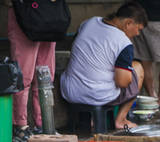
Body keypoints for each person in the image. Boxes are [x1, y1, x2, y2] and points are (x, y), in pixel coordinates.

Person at [60, 2, 147, 130]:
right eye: (138, 29)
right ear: (128, 23)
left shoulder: (89, 22)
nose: (138, 34)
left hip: (70, 91)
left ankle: (90, 120)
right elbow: (122, 82)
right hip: (96, 95)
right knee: (137, 68)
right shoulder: (123, 42)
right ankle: (121, 119)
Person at [7, 1, 57, 142]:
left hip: (48, 13)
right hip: (25, 11)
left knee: (45, 73)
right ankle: (20, 126)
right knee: (23, 75)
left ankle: (43, 124)